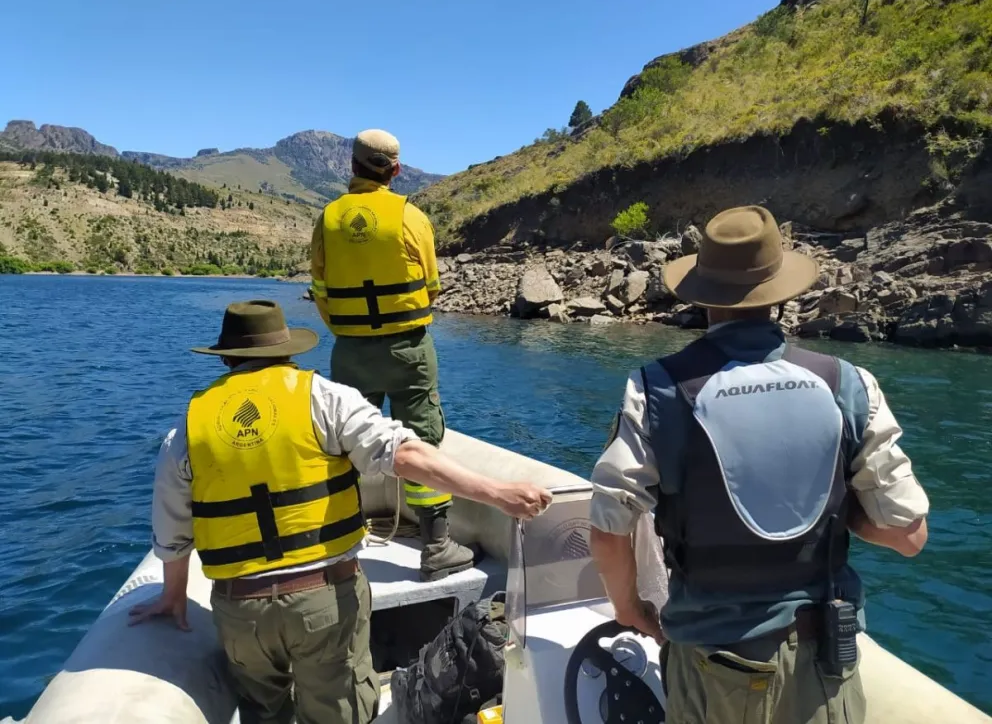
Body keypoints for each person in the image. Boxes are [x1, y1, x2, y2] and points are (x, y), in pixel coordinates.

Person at [128, 299, 552, 724]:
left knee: (263, 712)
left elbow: (172, 527)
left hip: (242, 610)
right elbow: (404, 455)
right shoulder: (324, 398)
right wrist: (498, 492)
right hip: (323, 598)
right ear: (288, 351)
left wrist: (173, 596)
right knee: (340, 712)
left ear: (225, 357)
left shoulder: (188, 425)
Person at [588, 206, 930, 724]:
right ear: (782, 295)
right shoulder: (851, 384)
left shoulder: (654, 389)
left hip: (712, 660)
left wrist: (629, 608)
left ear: (702, 295)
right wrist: (839, 515)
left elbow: (609, 531)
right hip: (825, 665)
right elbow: (909, 535)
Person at [309, 129, 469, 583]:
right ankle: (436, 546)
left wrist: (348, 331)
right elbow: (432, 285)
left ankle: (339, 547)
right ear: (395, 170)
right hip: (408, 351)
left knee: (341, 444)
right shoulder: (411, 216)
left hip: (350, 351)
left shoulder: (328, 218)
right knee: (422, 437)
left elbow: (320, 288)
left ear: (352, 165)